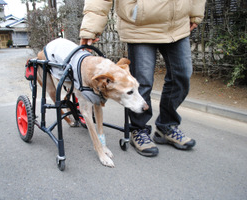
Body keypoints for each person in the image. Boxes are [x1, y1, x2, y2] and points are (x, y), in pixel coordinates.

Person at [79, 0, 206, 156]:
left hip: (177, 24)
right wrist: (91, 27)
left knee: (181, 76)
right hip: (140, 26)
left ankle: (166, 126)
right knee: (142, 81)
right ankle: (138, 129)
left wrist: (196, 12)